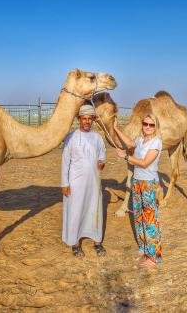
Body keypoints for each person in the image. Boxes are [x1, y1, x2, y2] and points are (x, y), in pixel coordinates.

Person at [113, 113, 163, 267]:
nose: (147, 127)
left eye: (151, 125)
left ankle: (154, 257)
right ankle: (144, 250)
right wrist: (115, 128)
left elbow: (145, 163)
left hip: (149, 183)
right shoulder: (140, 140)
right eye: (145, 124)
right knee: (139, 217)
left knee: (150, 220)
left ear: (155, 127)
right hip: (137, 182)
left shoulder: (156, 142)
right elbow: (129, 143)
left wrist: (126, 157)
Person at [61, 104, 107, 258]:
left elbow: (102, 154)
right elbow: (65, 162)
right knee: (76, 211)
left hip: (94, 182)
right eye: (84, 118)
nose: (87, 121)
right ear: (79, 119)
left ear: (93, 120)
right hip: (76, 183)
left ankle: (97, 241)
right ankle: (75, 243)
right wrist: (64, 183)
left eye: (90, 119)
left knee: (94, 210)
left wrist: (101, 162)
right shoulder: (71, 137)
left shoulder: (97, 138)